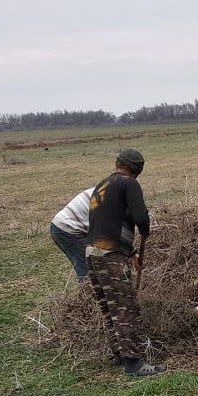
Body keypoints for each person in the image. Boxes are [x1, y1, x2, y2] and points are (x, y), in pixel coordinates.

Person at [85, 149, 162, 377]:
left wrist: (132, 252)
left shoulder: (102, 185)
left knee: (109, 307)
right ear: (137, 169)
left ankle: (118, 355)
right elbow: (140, 217)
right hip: (111, 257)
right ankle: (134, 363)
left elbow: (112, 223)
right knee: (125, 308)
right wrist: (146, 232)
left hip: (92, 254)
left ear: (118, 163)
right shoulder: (129, 183)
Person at [49, 187, 95, 280]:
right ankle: (87, 292)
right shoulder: (114, 197)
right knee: (86, 267)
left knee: (92, 264)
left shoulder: (108, 188)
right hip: (68, 229)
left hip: (64, 225)